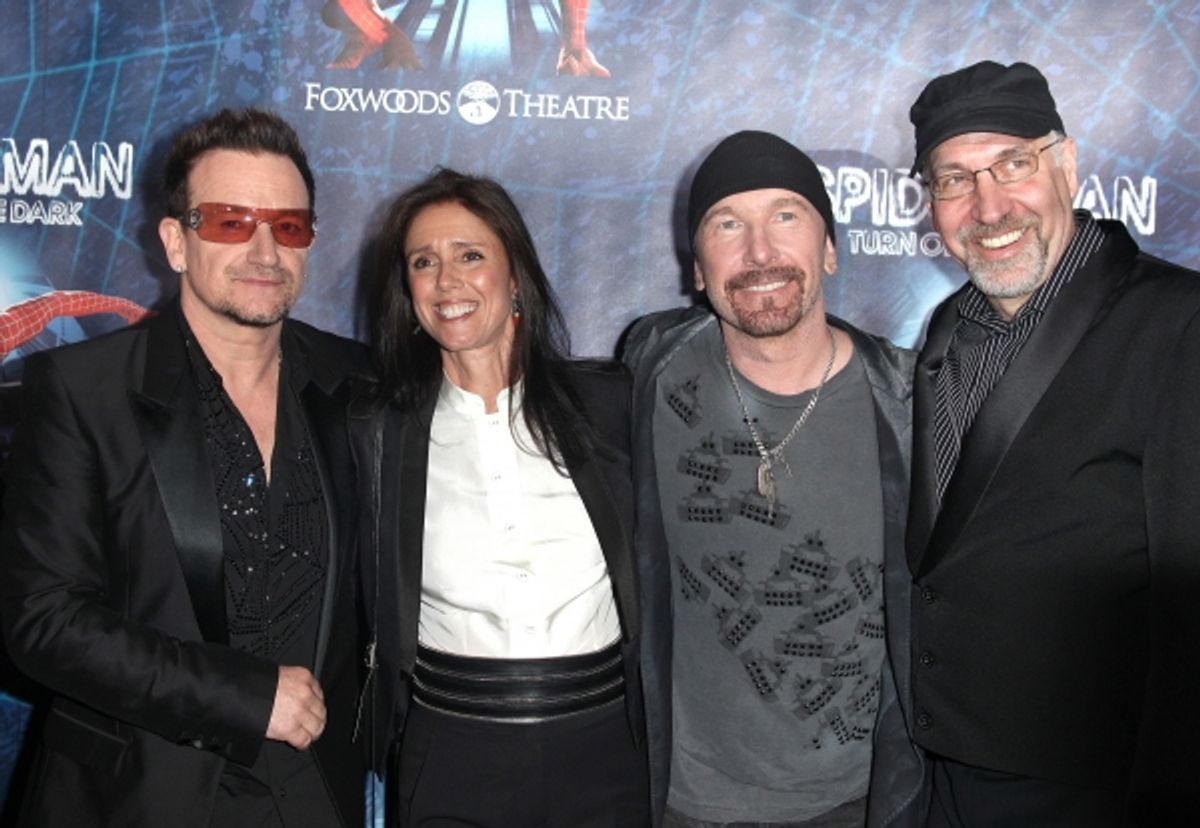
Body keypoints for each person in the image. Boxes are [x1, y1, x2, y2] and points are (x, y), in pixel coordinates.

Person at [0, 108, 369, 827]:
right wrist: (243, 696)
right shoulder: (82, 390)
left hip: (315, 794)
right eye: (231, 221)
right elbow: (45, 621)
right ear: (176, 241)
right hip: (140, 793)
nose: (265, 250)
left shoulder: (355, 382)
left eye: (288, 226)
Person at [906, 60, 1200, 825]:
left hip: (1095, 789)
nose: (989, 205)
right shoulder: (946, 330)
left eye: (1014, 163)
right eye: (954, 180)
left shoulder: (1180, 324)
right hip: (941, 774)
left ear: (1066, 164)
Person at [623, 131, 927, 828]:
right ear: (695, 267)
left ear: (830, 248)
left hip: (862, 803)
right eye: (728, 225)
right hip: (687, 806)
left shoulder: (914, 402)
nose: (759, 252)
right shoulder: (650, 373)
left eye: (786, 216)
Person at [353, 168, 649, 826]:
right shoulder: (377, 431)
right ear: (408, 288)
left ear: (515, 274)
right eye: (424, 262)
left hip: (609, 750)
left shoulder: (610, 405)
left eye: (471, 256)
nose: (447, 281)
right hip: (451, 753)